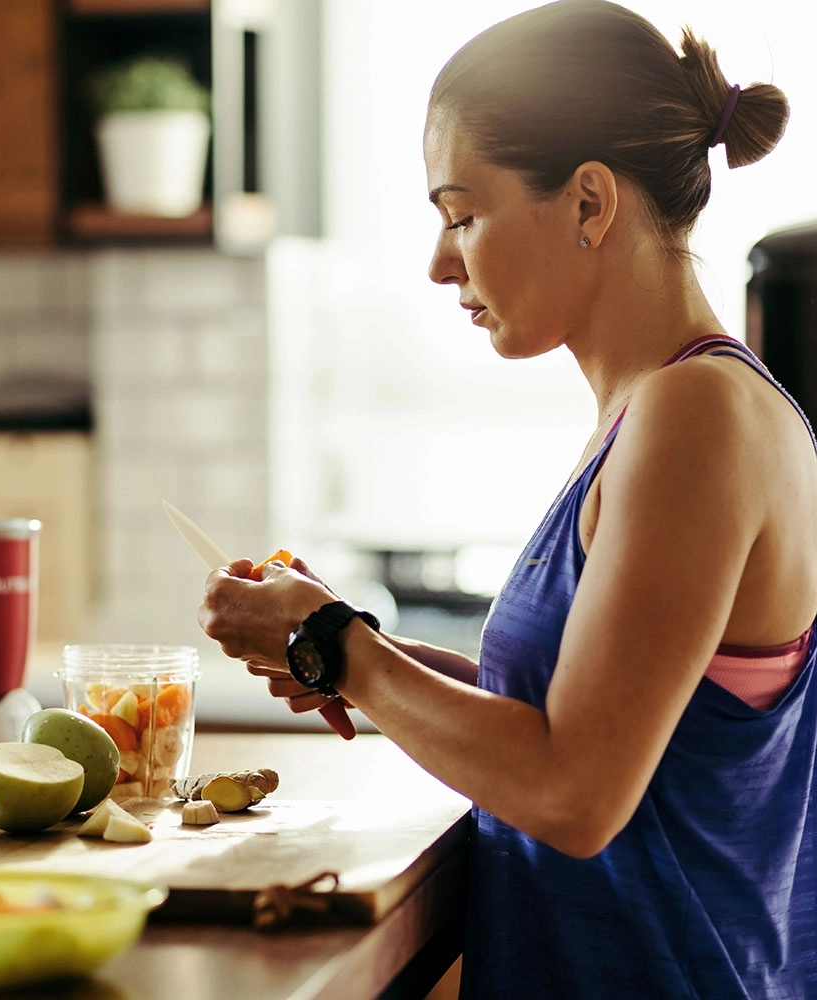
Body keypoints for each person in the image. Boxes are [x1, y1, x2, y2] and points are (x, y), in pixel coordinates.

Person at [197, 1, 815, 995]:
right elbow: (565, 718)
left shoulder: (695, 416)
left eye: (461, 213)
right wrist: (350, 641)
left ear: (587, 204)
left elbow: (575, 792)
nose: (442, 261)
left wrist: (337, 647)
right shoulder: (654, 411)